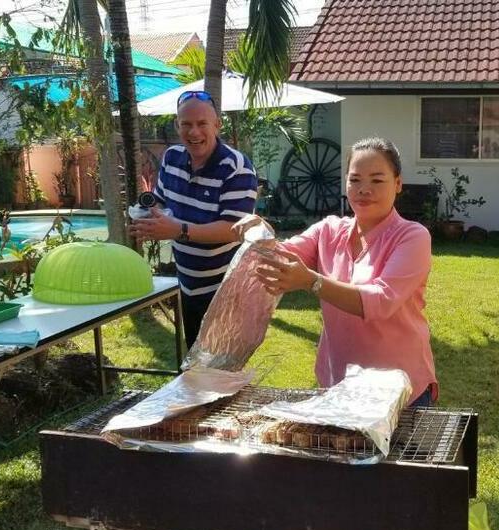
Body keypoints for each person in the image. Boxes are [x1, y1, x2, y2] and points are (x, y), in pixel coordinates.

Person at [245, 137, 437, 407]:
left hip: (400, 390)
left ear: (398, 184)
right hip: (340, 384)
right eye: (355, 179)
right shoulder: (330, 230)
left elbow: (381, 301)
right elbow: (282, 256)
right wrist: (256, 234)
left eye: (377, 180)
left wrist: (311, 282)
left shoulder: (412, 237)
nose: (364, 190)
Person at [129, 91, 258, 348]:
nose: (194, 132)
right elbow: (162, 200)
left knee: (220, 373)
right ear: (177, 125)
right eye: (186, 124)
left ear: (217, 124)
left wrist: (178, 230)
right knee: (196, 368)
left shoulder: (237, 167)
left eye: (202, 124)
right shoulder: (172, 158)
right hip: (188, 285)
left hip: (224, 291)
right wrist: (147, 215)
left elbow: (234, 230)